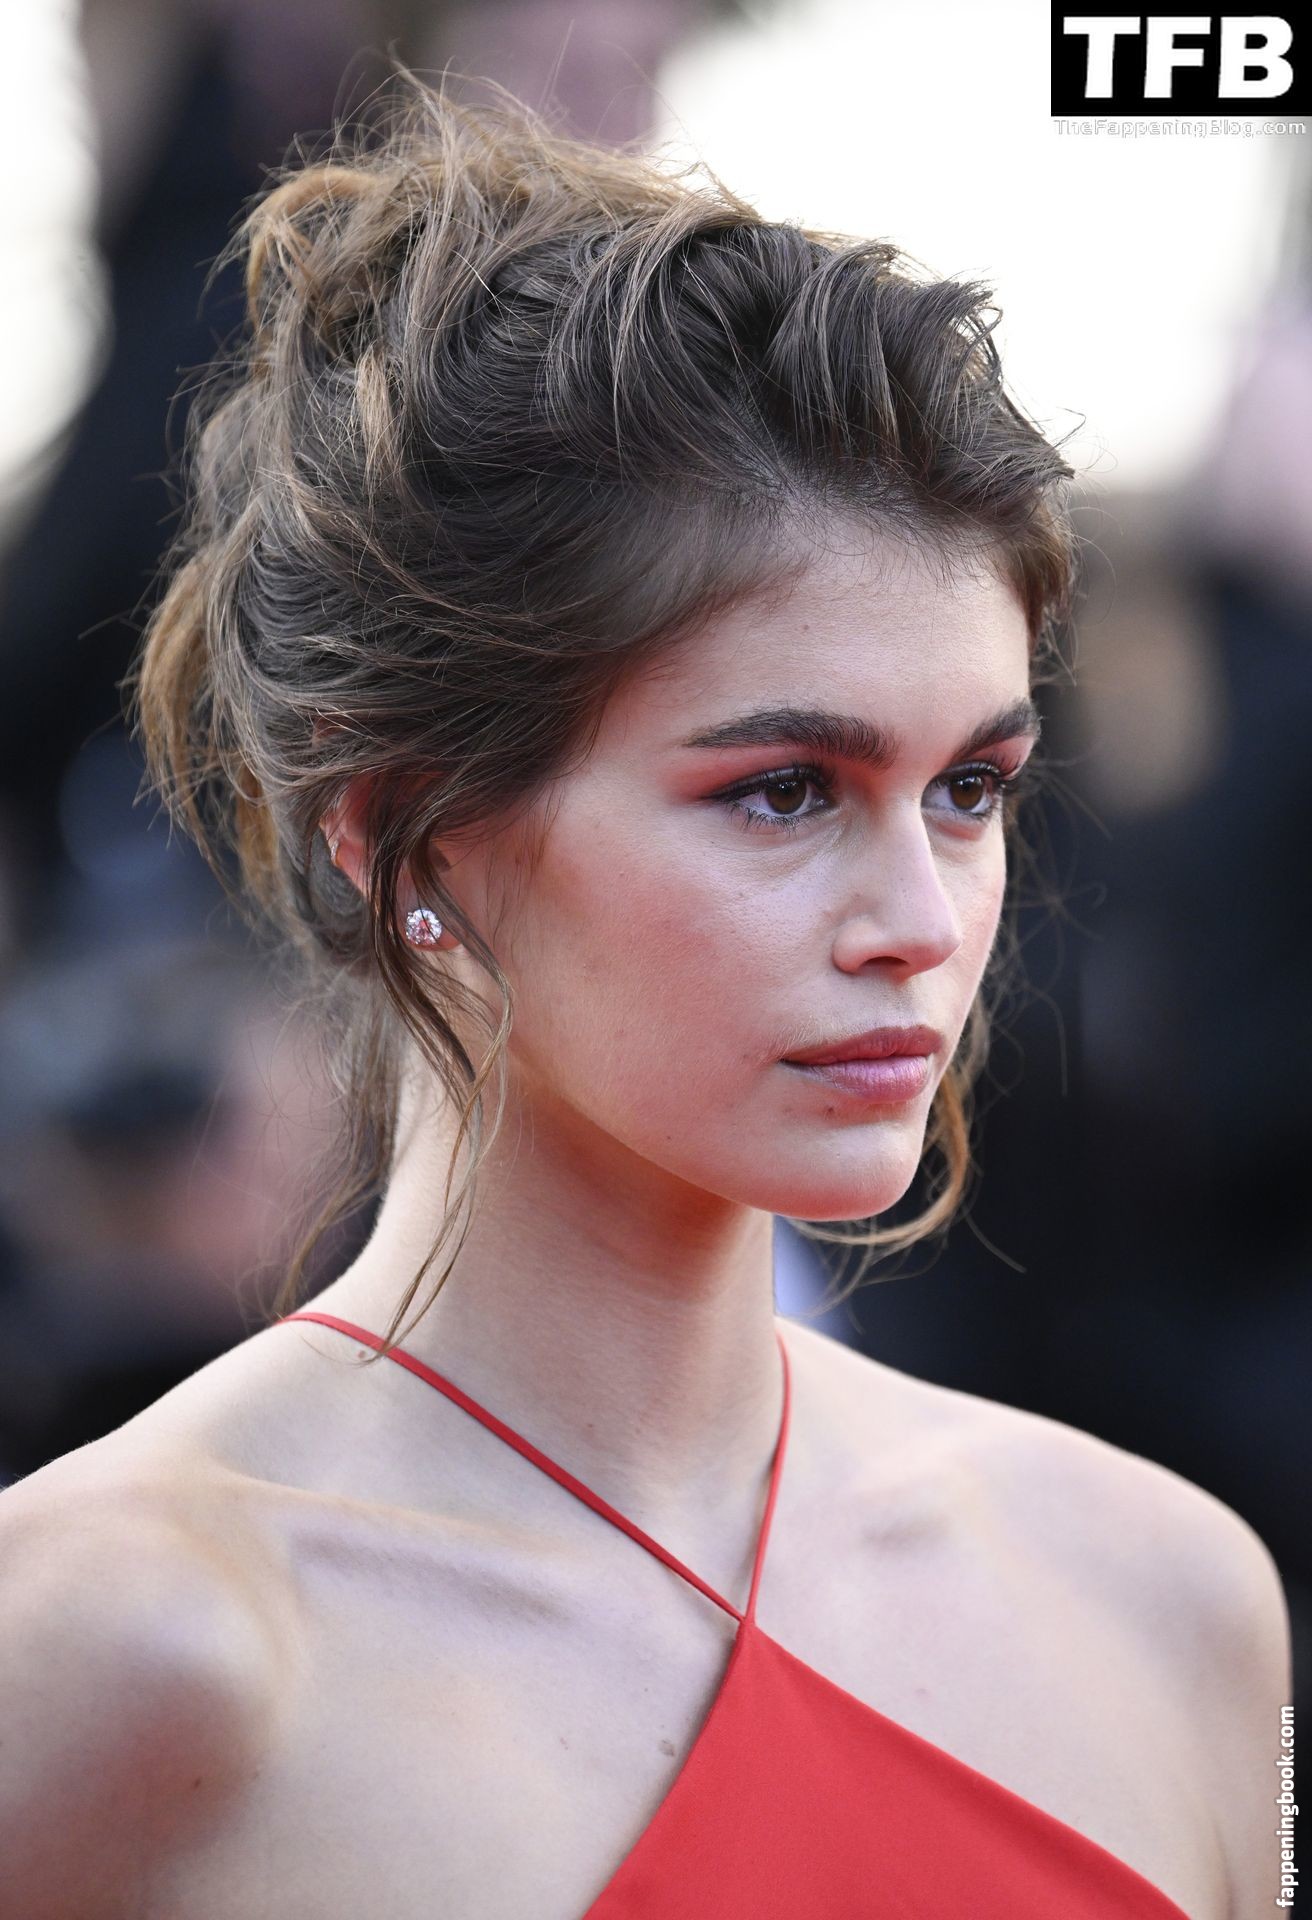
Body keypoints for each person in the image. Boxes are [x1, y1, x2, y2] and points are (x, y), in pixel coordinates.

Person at [0, 74, 1289, 1920]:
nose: (919, 920)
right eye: (783, 792)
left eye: (969, 789)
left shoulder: (1180, 1601)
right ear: (405, 831)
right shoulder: (112, 1650)